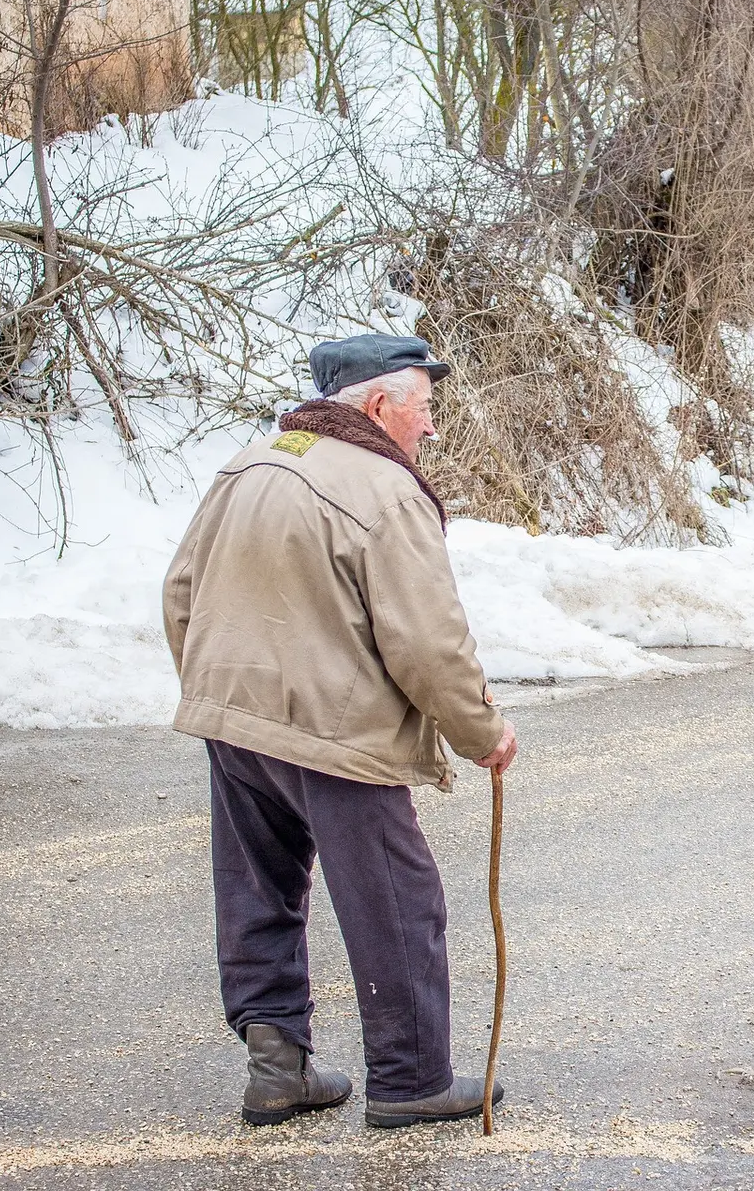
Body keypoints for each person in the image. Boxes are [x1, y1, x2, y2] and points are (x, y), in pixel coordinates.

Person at [163, 333, 518, 1130]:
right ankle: (413, 1080)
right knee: (398, 901)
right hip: (332, 730)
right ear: (382, 403)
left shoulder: (249, 463)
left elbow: (180, 590)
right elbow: (428, 641)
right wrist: (480, 731)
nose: (429, 429)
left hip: (234, 716)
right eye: (424, 408)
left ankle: (277, 1069)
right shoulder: (385, 490)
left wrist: (215, 687)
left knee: (259, 891)